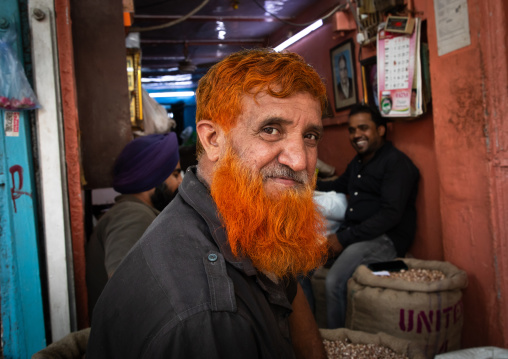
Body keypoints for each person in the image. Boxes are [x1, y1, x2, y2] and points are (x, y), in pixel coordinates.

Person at [87, 48, 330, 358]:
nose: (299, 160)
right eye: (270, 130)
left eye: (310, 136)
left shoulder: (236, 217)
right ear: (213, 140)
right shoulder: (209, 316)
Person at [316, 103, 419, 329]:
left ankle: (338, 344)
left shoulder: (396, 163)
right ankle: (313, 335)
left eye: (363, 128)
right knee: (301, 268)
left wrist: (342, 240)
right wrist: (302, 181)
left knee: (334, 282)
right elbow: (336, 185)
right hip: (356, 234)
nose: (356, 135)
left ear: (381, 130)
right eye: (352, 130)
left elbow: (390, 215)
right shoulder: (359, 163)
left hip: (384, 238)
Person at [85, 132, 182, 316]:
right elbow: (127, 291)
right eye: (175, 174)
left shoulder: (136, 212)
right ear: (153, 177)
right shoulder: (132, 215)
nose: (181, 181)